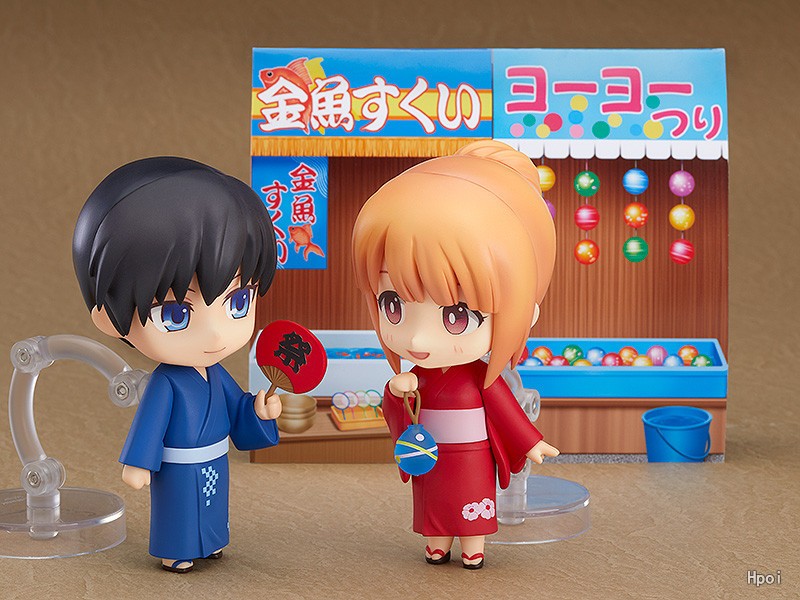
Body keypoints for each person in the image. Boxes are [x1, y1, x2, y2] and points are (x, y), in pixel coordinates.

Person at [352, 140, 560, 569]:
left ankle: (472, 547)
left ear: (526, 310)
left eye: (456, 315)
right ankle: (436, 543)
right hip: (429, 453)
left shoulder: (478, 380)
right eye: (393, 305)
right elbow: (397, 408)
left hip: (471, 455)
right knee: (434, 502)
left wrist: (530, 441)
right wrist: (398, 393)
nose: (418, 337)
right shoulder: (421, 378)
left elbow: (505, 411)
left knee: (471, 502)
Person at [73, 157, 282, 573]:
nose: (216, 336)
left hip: (214, 460)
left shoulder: (215, 374)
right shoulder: (166, 384)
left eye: (238, 302)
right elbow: (149, 425)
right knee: (181, 512)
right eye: (176, 314)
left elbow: (236, 411)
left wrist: (257, 411)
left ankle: (212, 542)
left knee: (213, 507)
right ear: (108, 314)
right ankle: (177, 549)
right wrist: (139, 463)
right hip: (179, 467)